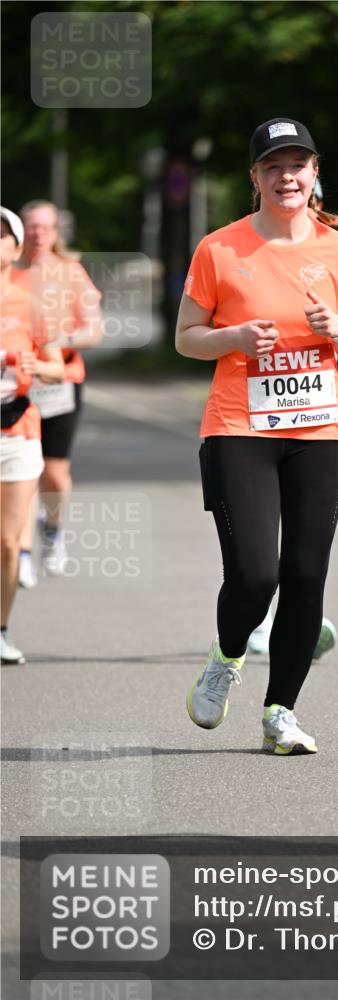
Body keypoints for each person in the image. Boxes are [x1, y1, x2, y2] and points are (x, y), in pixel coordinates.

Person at [176, 117, 338, 754]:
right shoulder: (220, 249)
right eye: (273, 166)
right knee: (256, 573)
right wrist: (232, 337)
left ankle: (280, 713)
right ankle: (227, 655)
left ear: (315, 174)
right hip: (240, 425)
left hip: (322, 429)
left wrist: (337, 329)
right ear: (255, 178)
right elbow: (185, 337)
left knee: (307, 572)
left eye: (298, 165)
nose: (286, 177)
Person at [247, 173, 336, 660]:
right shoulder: (245, 247)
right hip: (252, 421)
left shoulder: (336, 251)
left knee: (305, 550)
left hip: (319, 415)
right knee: (257, 552)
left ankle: (300, 614)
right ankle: (256, 621)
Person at [12, 201, 103, 585]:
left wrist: (57, 340)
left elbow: (94, 329)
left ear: (55, 232)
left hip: (62, 378)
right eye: (32, 227)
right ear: (21, 233)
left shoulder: (70, 273)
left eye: (45, 227)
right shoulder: (10, 275)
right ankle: (22, 549)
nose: (38, 234)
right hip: (17, 384)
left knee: (53, 470)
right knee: (23, 466)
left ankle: (52, 528)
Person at [1, 207, 64, 664]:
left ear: (16, 248)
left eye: (4, 236)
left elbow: (57, 366)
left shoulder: (31, 303)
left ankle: (1, 629)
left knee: (7, 542)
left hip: (18, 429)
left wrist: (33, 366)